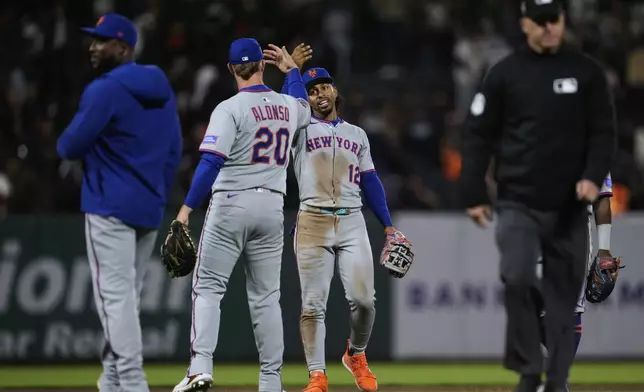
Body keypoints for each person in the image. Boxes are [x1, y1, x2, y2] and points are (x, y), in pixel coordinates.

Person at [459, 1, 617, 391]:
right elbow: (478, 134)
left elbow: (604, 135)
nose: (548, 28)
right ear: (525, 24)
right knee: (517, 279)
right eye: (540, 20)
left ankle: (555, 381)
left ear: (563, 22)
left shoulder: (586, 73)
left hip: (569, 210)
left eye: (555, 19)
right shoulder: (505, 74)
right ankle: (532, 368)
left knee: (566, 306)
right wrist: (474, 189)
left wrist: (605, 247)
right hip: (518, 202)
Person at [171, 38, 310, 392]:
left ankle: (200, 367)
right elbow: (304, 105)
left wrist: (186, 209)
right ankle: (270, 382)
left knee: (208, 289)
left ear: (232, 69)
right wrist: (292, 70)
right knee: (266, 298)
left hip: (231, 203)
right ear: (262, 65)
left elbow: (212, 161)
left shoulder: (228, 108)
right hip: (272, 208)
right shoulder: (286, 105)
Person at [56, 13, 182, 392]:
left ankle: (130, 380)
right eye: (93, 39)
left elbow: (68, 145)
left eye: (102, 40)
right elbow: (174, 148)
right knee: (127, 298)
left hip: (109, 204)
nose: (93, 46)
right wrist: (158, 191)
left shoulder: (104, 89)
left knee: (115, 299)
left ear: (124, 47)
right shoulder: (162, 87)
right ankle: (112, 379)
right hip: (147, 206)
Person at [263, 45, 400, 392]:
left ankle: (356, 355)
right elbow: (289, 103)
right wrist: (291, 72)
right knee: (313, 304)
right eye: (311, 90)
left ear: (335, 91)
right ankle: (317, 375)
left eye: (324, 86)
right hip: (312, 220)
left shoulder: (357, 134)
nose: (318, 92)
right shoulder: (300, 129)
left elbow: (371, 181)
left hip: (352, 220)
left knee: (365, 301)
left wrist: (388, 226)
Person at [536, 173, 614, 392]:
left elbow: (603, 199)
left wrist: (604, 249)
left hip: (574, 231)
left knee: (570, 310)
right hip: (535, 229)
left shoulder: (595, 146)